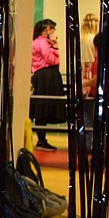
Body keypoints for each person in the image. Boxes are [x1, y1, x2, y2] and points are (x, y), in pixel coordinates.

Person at [31, 19, 64, 150]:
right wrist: (55, 46)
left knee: (42, 108)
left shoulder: (36, 41)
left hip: (42, 76)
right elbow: (51, 59)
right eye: (52, 28)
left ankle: (41, 139)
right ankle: (41, 140)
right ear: (47, 29)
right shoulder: (43, 42)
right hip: (47, 76)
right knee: (43, 108)